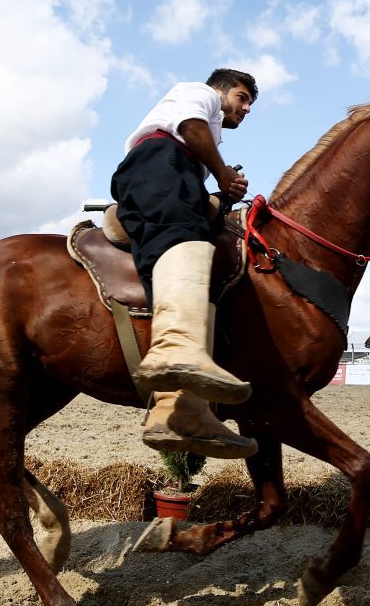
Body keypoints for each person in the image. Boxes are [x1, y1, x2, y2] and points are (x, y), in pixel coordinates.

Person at [111, 68, 259, 459]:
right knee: (181, 238)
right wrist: (223, 173)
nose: (245, 108)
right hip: (157, 162)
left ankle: (178, 410)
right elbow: (190, 126)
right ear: (222, 90)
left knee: (195, 272)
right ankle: (174, 353)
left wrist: (217, 188)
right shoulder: (200, 94)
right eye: (242, 98)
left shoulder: (208, 136)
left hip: (174, 172)